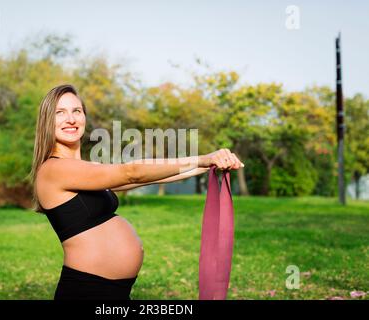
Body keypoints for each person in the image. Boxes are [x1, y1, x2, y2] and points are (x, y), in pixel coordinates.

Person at [28, 84, 244, 300]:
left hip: (114, 292)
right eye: (60, 112)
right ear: (47, 121)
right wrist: (202, 158)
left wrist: (208, 166)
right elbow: (132, 173)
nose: (71, 119)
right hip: (86, 290)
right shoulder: (53, 169)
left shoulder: (85, 169)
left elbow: (144, 179)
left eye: (77, 111)